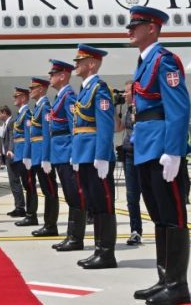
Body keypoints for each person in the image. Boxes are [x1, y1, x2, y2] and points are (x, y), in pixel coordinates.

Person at [126, 6, 191, 304]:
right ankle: (165, 278)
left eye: (135, 25)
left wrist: (174, 150)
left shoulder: (164, 60)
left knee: (173, 215)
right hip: (146, 146)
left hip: (162, 148)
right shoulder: (144, 62)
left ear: (152, 28)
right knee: (160, 216)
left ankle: (178, 285)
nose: (129, 30)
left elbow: (178, 107)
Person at [71, 44, 117, 270]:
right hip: (84, 153)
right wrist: (76, 154)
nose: (75, 65)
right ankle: (99, 250)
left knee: (104, 203)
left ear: (91, 64)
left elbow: (106, 124)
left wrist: (102, 155)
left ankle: (107, 253)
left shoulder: (99, 88)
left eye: (79, 62)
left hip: (96, 155)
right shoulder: (85, 89)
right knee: (94, 204)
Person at [46, 60, 85, 252]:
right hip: (59, 154)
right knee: (70, 197)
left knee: (74, 197)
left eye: (53, 74)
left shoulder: (69, 97)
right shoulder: (60, 97)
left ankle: (76, 238)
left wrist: (74, 154)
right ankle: (71, 236)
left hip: (67, 153)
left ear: (62, 76)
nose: (50, 77)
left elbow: (74, 127)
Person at [23, 77, 58, 237]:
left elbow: (47, 133)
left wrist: (46, 157)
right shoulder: (37, 107)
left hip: (43, 156)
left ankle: (51, 225)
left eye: (33, 88)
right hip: (37, 155)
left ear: (42, 89)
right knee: (46, 190)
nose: (30, 91)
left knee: (50, 191)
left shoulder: (45, 107)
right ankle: (48, 224)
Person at [118, 81, 143, 246]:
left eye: (126, 92)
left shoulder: (142, 107)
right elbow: (118, 127)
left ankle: (163, 227)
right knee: (131, 196)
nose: (124, 95)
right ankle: (135, 230)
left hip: (143, 154)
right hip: (129, 155)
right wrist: (115, 108)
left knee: (150, 194)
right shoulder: (127, 109)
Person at [10, 87, 37, 226]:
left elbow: (28, 136)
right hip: (19, 154)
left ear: (24, 98)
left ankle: (32, 215)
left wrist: (27, 156)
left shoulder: (26, 114)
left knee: (30, 186)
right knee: (27, 185)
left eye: (17, 96)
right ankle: (29, 214)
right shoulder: (20, 114)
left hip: (24, 155)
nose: (14, 98)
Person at [0, 105, 26, 218]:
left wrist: (10, 150)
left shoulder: (11, 122)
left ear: (5, 113)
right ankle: (18, 206)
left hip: (12, 156)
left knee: (15, 182)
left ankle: (20, 208)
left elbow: (12, 137)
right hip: (8, 157)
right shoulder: (7, 123)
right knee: (13, 182)